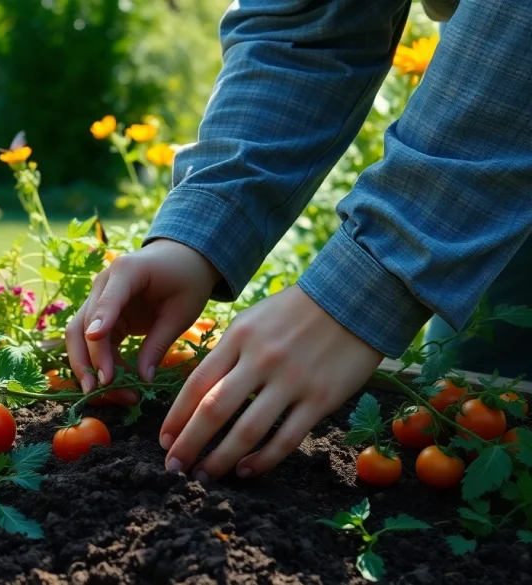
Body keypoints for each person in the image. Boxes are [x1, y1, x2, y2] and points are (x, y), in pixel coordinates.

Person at [64, 0, 532, 486]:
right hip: (499, 174)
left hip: (501, 140)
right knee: (481, 434)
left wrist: (367, 284)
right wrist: (195, 234)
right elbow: (309, 24)